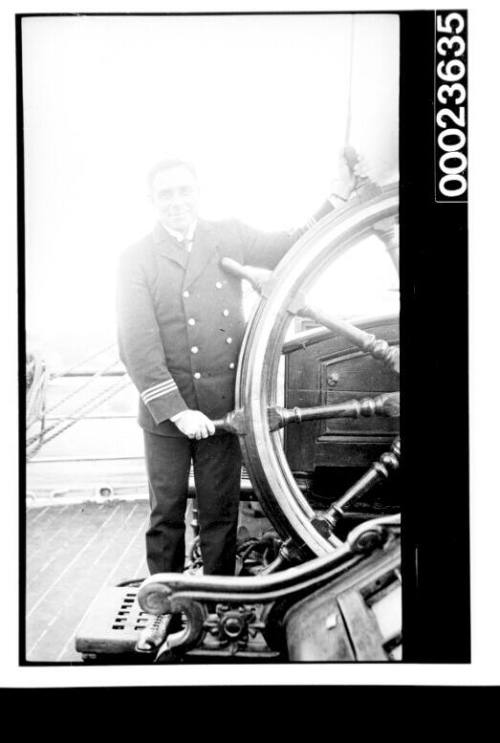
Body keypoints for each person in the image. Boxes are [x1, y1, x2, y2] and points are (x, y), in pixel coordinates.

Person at [117, 155, 358, 577]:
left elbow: (287, 243)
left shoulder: (227, 234)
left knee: (220, 512)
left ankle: (215, 605)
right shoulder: (135, 258)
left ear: (198, 193)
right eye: (165, 194)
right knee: (166, 515)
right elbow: (137, 345)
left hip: (223, 408)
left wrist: (335, 200)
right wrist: (177, 410)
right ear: (151, 201)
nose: (177, 201)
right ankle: (164, 605)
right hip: (167, 415)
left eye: (184, 190)